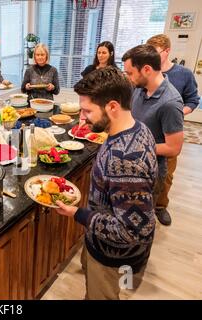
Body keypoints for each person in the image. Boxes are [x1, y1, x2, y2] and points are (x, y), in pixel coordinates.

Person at [55, 67, 158, 300]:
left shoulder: (124, 160)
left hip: (113, 254)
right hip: (112, 246)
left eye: (87, 110)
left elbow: (130, 231)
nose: (82, 117)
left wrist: (76, 214)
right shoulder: (138, 128)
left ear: (112, 106)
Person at [122, 44, 184, 226]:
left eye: (130, 73)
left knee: (139, 222)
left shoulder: (170, 102)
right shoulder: (139, 89)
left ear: (147, 69)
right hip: (130, 164)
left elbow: (174, 148)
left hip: (150, 172)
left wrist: (135, 147)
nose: (128, 78)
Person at [146, 34, 200, 225]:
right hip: (149, 130)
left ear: (167, 51)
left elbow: (194, 100)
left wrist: (178, 112)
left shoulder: (183, 74)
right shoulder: (148, 72)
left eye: (155, 52)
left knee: (166, 173)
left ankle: (161, 206)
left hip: (169, 130)